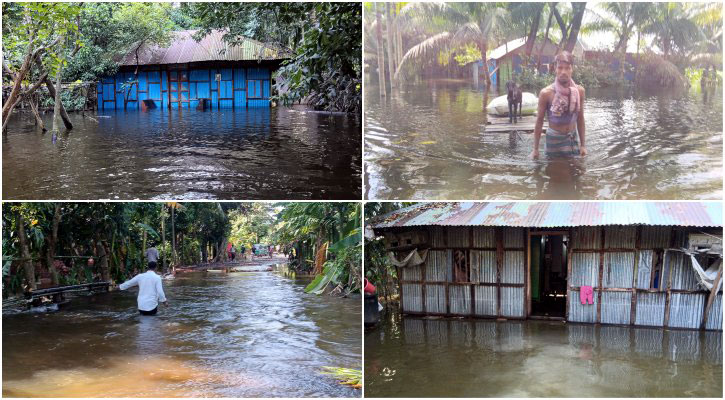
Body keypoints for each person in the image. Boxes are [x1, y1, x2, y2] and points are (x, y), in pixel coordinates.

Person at [531, 51, 587, 159]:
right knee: (555, 173)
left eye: (567, 68)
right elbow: (539, 121)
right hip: (553, 139)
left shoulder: (579, 91)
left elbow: (580, 119)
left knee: (576, 173)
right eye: (560, 68)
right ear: (555, 69)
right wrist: (535, 149)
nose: (563, 72)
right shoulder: (546, 93)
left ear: (572, 69)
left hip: (572, 138)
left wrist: (583, 145)